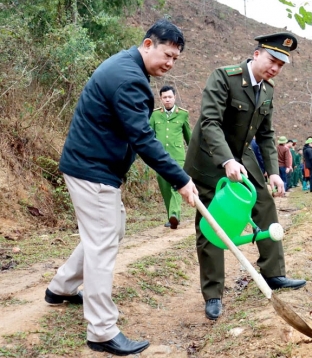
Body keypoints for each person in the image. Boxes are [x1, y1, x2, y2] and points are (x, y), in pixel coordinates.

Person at [43, 20, 198, 356]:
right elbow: (143, 139)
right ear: (147, 44)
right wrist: (181, 179)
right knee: (102, 242)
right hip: (92, 169)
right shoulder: (128, 79)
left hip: (92, 166)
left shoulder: (127, 68)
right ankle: (101, 331)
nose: (169, 64)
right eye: (167, 55)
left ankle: (62, 287)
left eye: (175, 59)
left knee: (110, 230)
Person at [184, 32, 306, 321]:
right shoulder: (224, 77)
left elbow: (266, 134)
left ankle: (274, 273)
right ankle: (213, 294)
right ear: (256, 55)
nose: (275, 68)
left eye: (281, 65)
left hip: (242, 156)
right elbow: (210, 121)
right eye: (272, 60)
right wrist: (226, 159)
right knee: (212, 222)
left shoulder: (268, 90)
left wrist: (274, 173)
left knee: (264, 203)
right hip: (209, 157)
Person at [149, 85, 192, 229]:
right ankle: (171, 217)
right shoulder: (155, 115)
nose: (167, 100)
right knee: (165, 187)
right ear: (160, 99)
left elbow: (189, 137)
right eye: (164, 97)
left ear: (174, 97)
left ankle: (175, 214)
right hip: (159, 158)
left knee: (176, 186)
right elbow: (149, 136)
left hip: (178, 157)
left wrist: (193, 156)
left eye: (170, 97)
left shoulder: (183, 114)